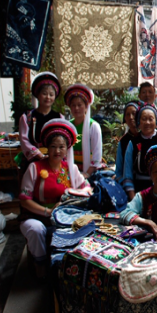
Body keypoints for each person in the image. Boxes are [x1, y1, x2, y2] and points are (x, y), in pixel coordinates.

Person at [19, 119, 89, 276]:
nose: (57, 150)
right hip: (35, 215)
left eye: (61, 147)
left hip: (63, 216)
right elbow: (24, 200)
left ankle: (69, 266)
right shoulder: (35, 168)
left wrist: (73, 198)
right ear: (47, 147)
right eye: (53, 146)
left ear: (67, 149)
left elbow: (86, 188)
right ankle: (40, 265)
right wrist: (47, 212)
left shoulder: (70, 169)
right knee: (36, 229)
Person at [120, 145, 157, 239]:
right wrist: (148, 222)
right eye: (156, 172)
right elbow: (125, 214)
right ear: (150, 174)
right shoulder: (143, 196)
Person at [122, 103, 157, 199]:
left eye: (151, 119)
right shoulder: (133, 143)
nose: (147, 122)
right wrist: (134, 199)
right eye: (144, 119)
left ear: (156, 123)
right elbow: (128, 174)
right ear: (138, 123)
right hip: (140, 191)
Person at [19, 72, 63, 164]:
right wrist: (38, 154)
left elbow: (63, 141)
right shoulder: (27, 117)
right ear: (38, 95)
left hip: (54, 161)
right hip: (33, 161)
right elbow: (24, 140)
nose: (48, 97)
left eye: (51, 94)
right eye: (44, 93)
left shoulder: (59, 118)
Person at [64, 84, 102, 177]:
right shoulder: (67, 126)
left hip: (89, 172)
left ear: (86, 107)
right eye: (73, 105)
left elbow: (97, 155)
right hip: (70, 171)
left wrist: (86, 174)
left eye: (79, 105)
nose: (76, 108)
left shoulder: (93, 126)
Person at [115, 101, 140, 183]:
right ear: (125, 119)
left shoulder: (146, 136)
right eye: (128, 115)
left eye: (134, 113)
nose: (131, 117)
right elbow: (119, 170)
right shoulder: (123, 141)